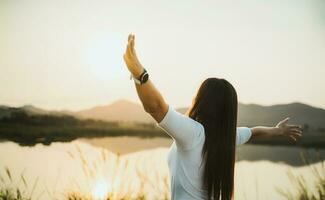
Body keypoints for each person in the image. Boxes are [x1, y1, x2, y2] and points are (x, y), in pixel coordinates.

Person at [122, 34, 302, 200]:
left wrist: (140, 75)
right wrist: (277, 130)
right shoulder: (227, 136)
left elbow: (156, 108)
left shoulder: (194, 133)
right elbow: (254, 132)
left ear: (201, 100)